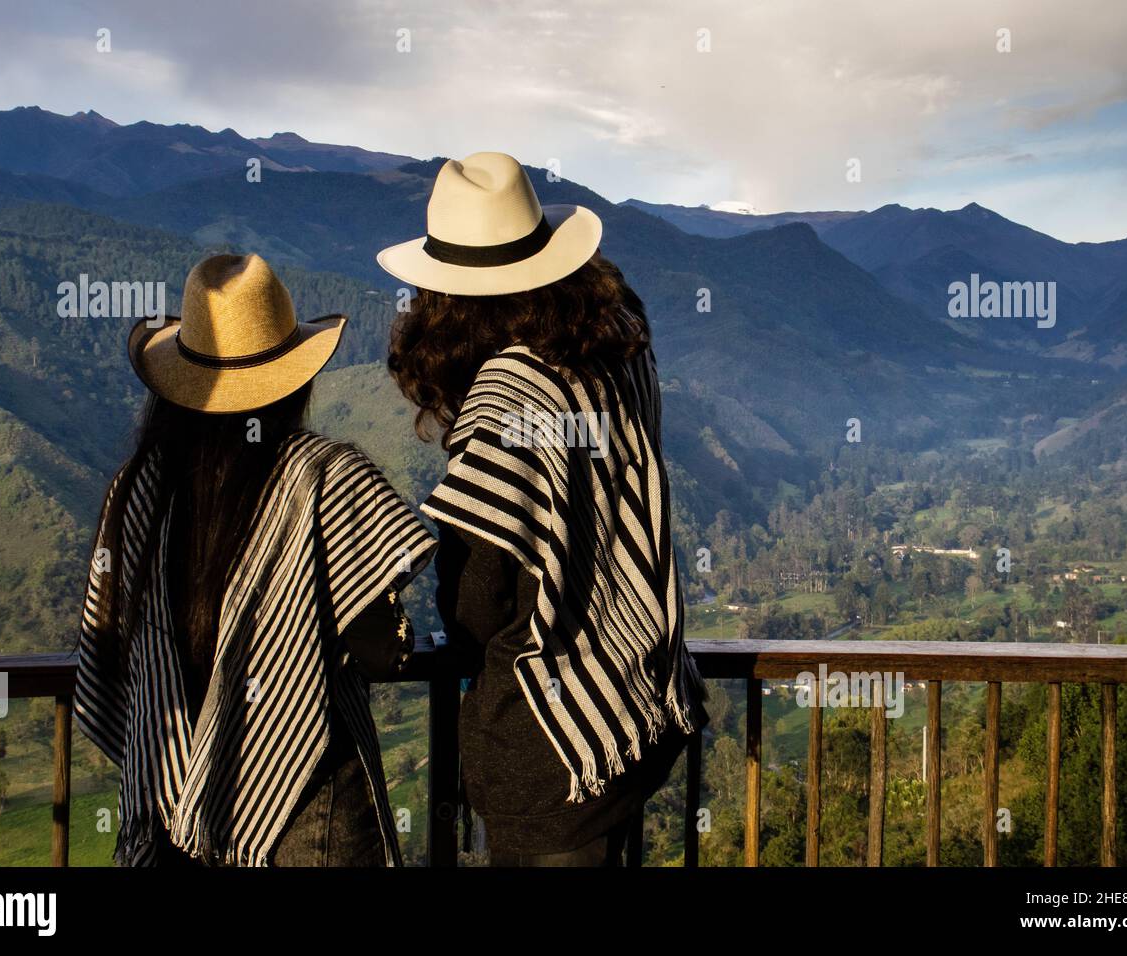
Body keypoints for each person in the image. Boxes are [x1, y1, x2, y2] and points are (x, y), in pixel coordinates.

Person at [381, 152, 708, 866]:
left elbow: (481, 596)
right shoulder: (616, 351)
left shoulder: (509, 390)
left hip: (549, 745)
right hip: (632, 706)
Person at [74, 253, 435, 867]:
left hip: (171, 819)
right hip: (311, 807)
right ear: (295, 378)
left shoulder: (135, 491)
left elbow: (104, 652)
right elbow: (381, 647)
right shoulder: (324, 477)